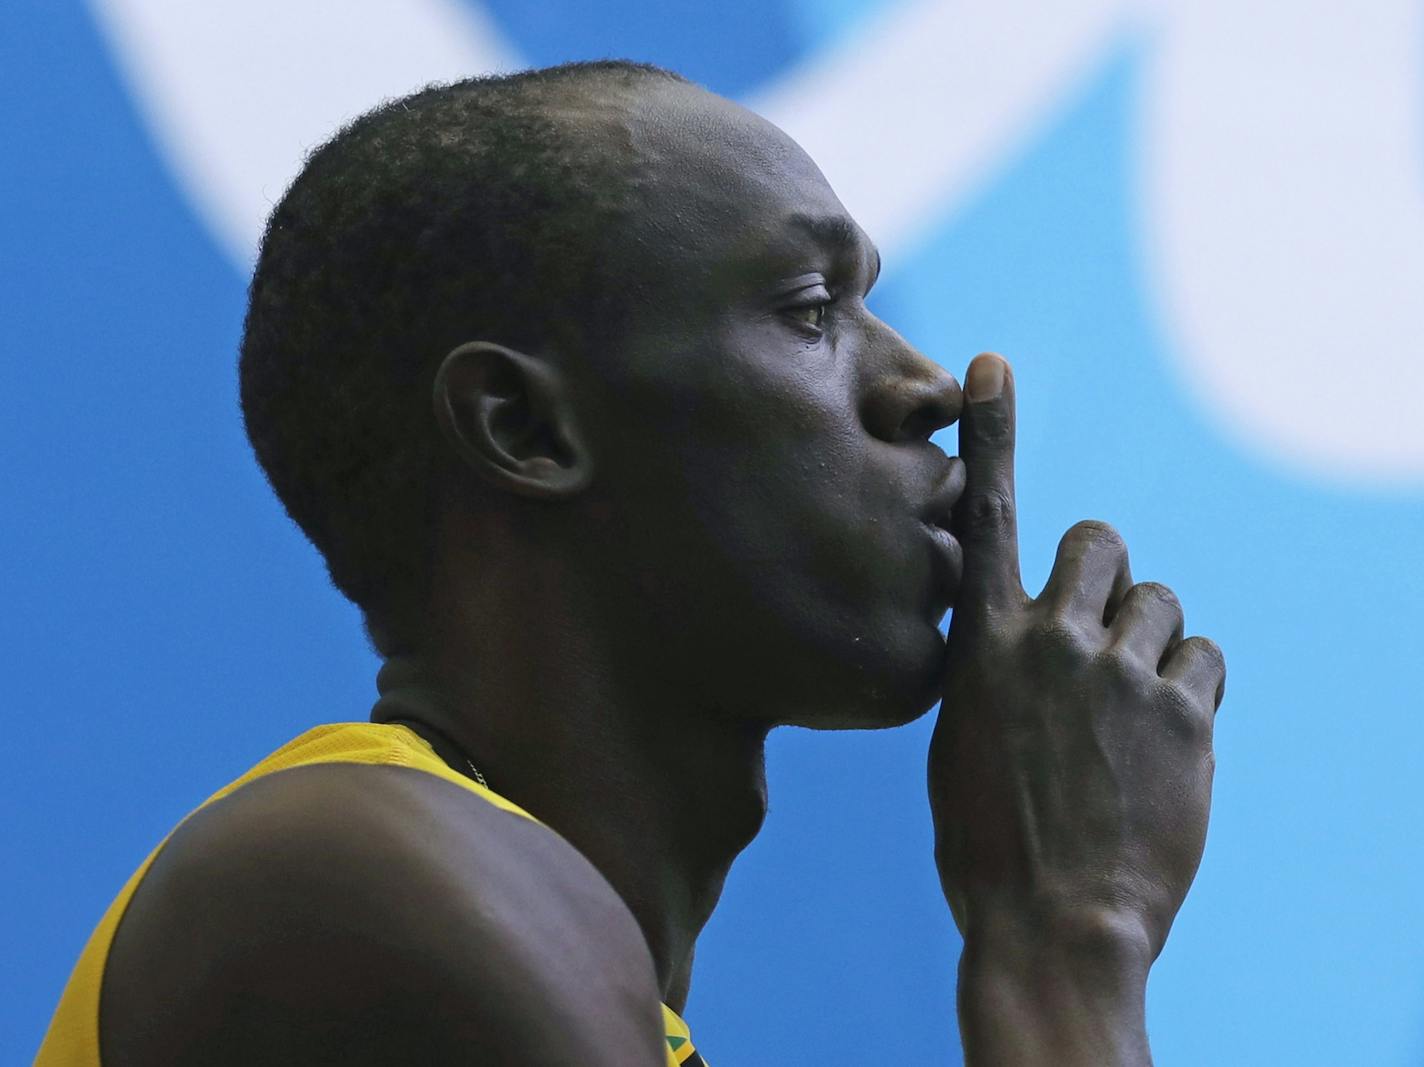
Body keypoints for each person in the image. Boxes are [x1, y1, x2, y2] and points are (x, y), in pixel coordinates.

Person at [37, 60, 1225, 1066]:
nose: (922, 387)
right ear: (525, 428)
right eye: (811, 308)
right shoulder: (356, 880)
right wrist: (1067, 932)